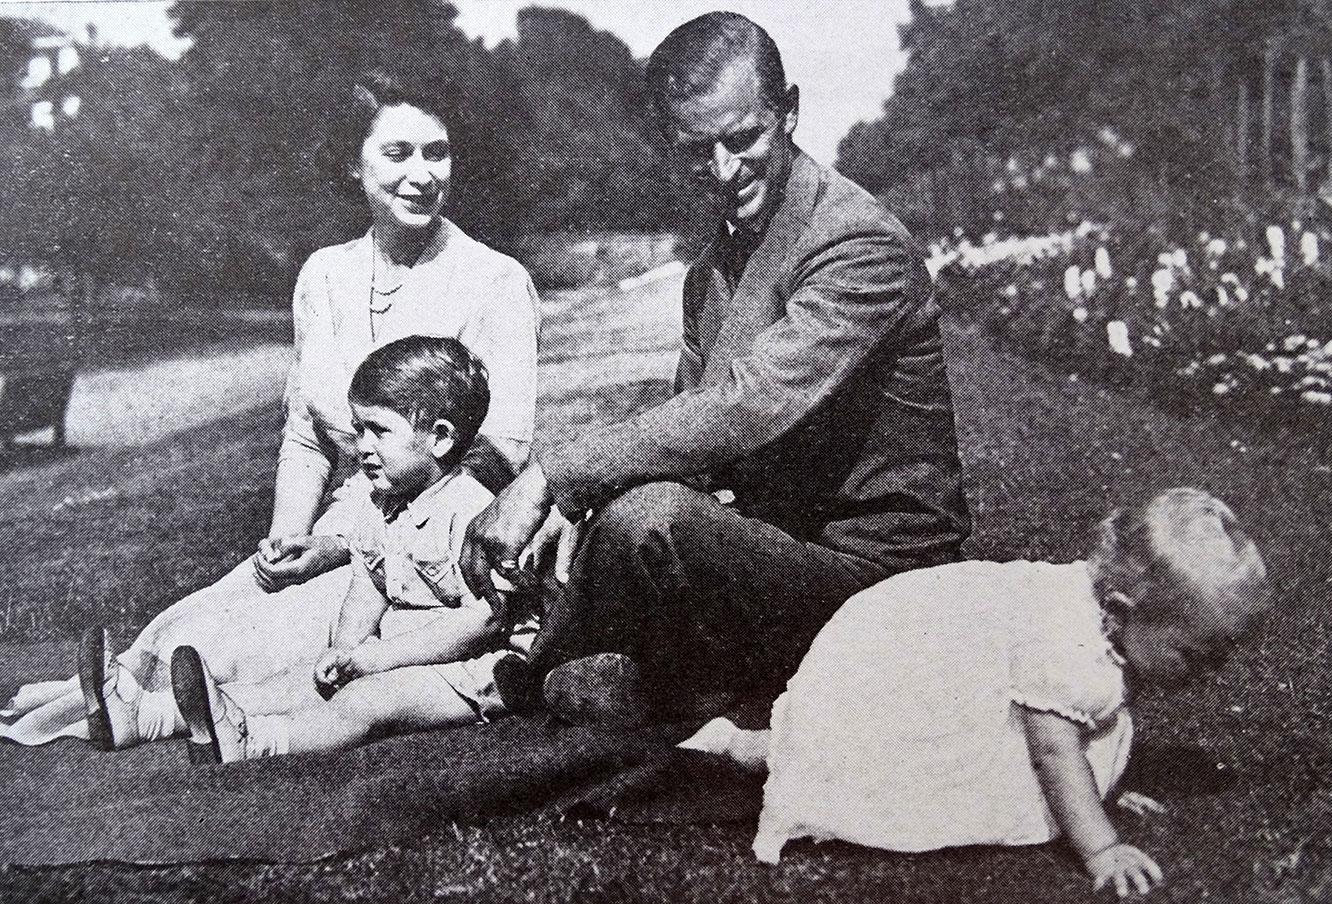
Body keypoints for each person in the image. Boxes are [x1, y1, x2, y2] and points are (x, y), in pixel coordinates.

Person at [0, 69, 540, 750]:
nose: (422, 174)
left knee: (250, 643)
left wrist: (339, 548)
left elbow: (497, 453)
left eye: (437, 152)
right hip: (339, 524)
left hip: (437, 545)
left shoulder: (496, 282)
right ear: (352, 165)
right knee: (202, 616)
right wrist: (283, 546)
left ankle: (153, 714)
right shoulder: (324, 277)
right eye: (398, 154)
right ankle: (125, 698)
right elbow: (305, 434)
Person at [461, 12, 970, 724]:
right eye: (698, 151)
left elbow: (746, 404)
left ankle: (531, 673)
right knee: (633, 507)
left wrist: (551, 479)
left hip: (880, 578)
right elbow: (687, 447)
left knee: (652, 517)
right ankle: (584, 662)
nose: (724, 171)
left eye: (743, 139)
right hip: (778, 552)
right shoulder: (709, 273)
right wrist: (573, 516)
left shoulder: (856, 241)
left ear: (788, 112)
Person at [678, 489, 1272, 897]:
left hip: (950, 661)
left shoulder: (1111, 629)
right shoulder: (1065, 641)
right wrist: (1101, 847)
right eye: (1192, 655)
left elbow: (1095, 722)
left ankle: (749, 745)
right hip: (910, 672)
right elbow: (1056, 753)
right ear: (1121, 611)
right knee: (865, 759)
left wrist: (1111, 781)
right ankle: (745, 748)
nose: (1205, 674)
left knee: (815, 748)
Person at [171, 336, 535, 762]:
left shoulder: (474, 511)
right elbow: (368, 584)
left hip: (479, 670)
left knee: (368, 702)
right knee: (306, 678)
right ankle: (152, 714)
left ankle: (256, 741)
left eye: (378, 430)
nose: (362, 446)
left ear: (439, 438)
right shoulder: (381, 503)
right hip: (399, 652)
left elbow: (483, 624)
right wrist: (344, 649)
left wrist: (374, 660)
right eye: (358, 429)